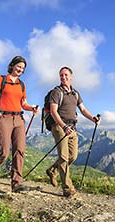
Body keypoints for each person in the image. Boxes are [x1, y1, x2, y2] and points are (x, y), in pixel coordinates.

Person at [0, 55, 38, 192]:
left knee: (20, 150)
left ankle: (17, 184)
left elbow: (23, 103)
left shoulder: (21, 85)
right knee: (3, 152)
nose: (20, 69)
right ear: (12, 65)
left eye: (23, 68)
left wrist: (31, 108)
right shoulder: (1, 80)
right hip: (3, 117)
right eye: (18, 66)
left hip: (18, 119)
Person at [46, 66, 100, 198]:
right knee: (64, 157)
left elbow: (82, 109)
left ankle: (53, 170)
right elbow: (53, 112)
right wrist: (63, 126)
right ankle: (68, 189)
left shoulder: (75, 93)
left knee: (73, 156)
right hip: (59, 126)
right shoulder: (56, 92)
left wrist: (93, 118)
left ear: (71, 77)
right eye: (61, 75)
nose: (63, 77)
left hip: (72, 128)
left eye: (65, 75)